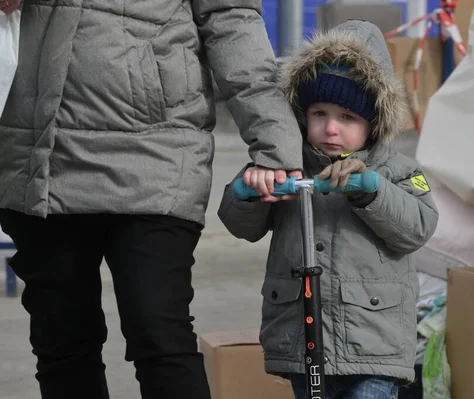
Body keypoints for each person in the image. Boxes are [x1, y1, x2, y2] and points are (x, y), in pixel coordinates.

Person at [0, 1, 302, 398]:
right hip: (40, 146)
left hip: (155, 148)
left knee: (158, 332)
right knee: (61, 339)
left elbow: (231, 19)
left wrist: (276, 141)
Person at [218, 19, 439, 399]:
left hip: (373, 344)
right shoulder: (288, 165)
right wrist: (247, 190)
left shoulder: (396, 169)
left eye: (347, 118)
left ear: (374, 121)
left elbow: (419, 226)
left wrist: (373, 191)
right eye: (319, 114)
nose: (330, 129)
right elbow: (244, 226)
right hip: (303, 339)